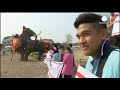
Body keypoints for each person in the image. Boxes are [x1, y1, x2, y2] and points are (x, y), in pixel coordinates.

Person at [74, 13, 120, 78]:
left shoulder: (117, 59)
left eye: (86, 34)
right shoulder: (90, 59)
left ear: (103, 34)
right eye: (79, 37)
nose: (81, 41)